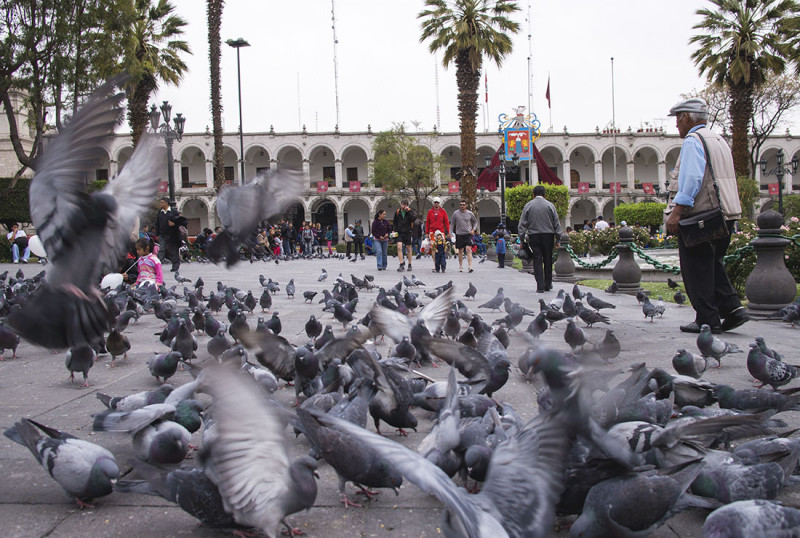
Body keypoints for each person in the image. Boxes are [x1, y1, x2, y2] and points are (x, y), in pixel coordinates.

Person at [664, 97, 748, 334]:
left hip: (702, 215)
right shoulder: (718, 139)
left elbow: (691, 179)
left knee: (696, 269)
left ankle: (707, 320)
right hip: (726, 213)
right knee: (712, 265)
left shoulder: (694, 140)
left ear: (687, 117)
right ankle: (733, 308)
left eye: (678, 120)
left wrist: (677, 212)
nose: (677, 126)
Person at [518, 185, 563, 293]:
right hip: (548, 235)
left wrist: (521, 238)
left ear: (533, 195)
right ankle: (548, 283)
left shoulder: (528, 206)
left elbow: (522, 224)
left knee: (537, 260)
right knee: (548, 260)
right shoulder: (550, 205)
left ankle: (540, 286)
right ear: (544, 195)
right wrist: (558, 238)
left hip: (534, 235)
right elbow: (556, 223)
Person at [154, 197, 183, 272]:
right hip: (162, 235)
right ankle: (157, 266)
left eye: (162, 202)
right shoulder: (160, 212)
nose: (161, 204)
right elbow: (157, 223)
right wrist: (157, 234)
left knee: (173, 250)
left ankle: (175, 266)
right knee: (161, 250)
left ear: (166, 203)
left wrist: (174, 224)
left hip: (172, 235)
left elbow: (180, 222)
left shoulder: (173, 211)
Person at [451, 199, 477, 273]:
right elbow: (452, 223)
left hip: (468, 234)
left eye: (463, 204)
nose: (462, 206)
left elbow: (475, 222)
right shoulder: (455, 213)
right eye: (461, 205)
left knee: (469, 249)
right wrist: (450, 233)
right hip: (459, 234)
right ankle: (460, 266)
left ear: (466, 205)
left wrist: (473, 229)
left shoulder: (470, 213)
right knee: (460, 251)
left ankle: (470, 266)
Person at [393, 199, 416, 272]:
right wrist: (394, 229)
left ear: (407, 205)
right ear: (401, 204)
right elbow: (395, 222)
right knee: (399, 247)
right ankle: (401, 263)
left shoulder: (410, 211)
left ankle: (409, 264)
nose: (403, 206)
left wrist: (408, 211)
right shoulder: (397, 212)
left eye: (405, 205)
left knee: (408, 248)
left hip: (408, 232)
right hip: (400, 232)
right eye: (402, 204)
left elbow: (413, 219)